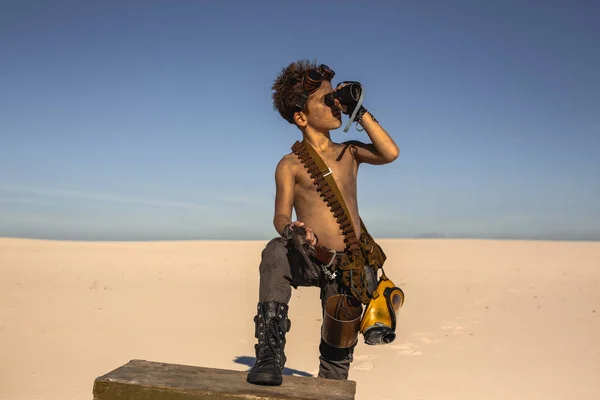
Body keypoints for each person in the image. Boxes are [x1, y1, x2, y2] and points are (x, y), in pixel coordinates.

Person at [247, 59, 400, 386]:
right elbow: (280, 215)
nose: (335, 106)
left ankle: (330, 390)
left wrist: (357, 110)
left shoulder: (350, 152)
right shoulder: (290, 164)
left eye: (336, 99)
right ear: (300, 117)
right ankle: (270, 351)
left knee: (337, 349)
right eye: (326, 101)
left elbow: (390, 153)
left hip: (347, 266)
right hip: (310, 256)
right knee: (275, 251)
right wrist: (291, 230)